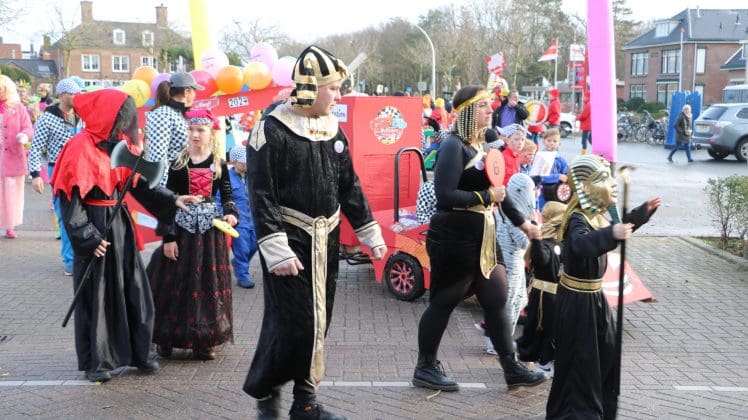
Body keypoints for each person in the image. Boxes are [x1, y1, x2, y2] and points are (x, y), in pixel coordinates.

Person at [243, 45, 387, 420]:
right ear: (312, 87)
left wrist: (370, 234)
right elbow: (261, 194)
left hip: (327, 241)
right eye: (333, 88)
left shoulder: (332, 128)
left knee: (319, 322)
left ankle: (304, 402)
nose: (338, 96)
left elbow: (348, 186)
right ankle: (267, 389)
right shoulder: (271, 130)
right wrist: (276, 249)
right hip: (290, 242)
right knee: (296, 324)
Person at [51, 89, 201, 382]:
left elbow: (141, 183)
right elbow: (70, 198)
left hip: (119, 225)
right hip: (94, 225)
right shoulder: (79, 147)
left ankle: (140, 353)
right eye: (120, 118)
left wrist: (173, 199)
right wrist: (87, 237)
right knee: (97, 294)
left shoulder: (120, 145)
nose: (125, 125)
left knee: (134, 287)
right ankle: (97, 361)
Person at [411, 84, 545, 394]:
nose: (490, 110)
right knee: (444, 301)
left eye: (490, 105)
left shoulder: (483, 144)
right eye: (483, 105)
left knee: (496, 300)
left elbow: (500, 192)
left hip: (483, 234)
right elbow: (445, 194)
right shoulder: (453, 146)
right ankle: (425, 366)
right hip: (454, 236)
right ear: (468, 111)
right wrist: (486, 196)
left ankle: (510, 367)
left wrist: (523, 224)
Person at [546, 155, 661, 419]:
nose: (612, 183)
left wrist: (640, 216)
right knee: (581, 363)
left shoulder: (596, 216)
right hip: (577, 302)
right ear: (586, 187)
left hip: (595, 299)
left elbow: (615, 230)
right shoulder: (576, 218)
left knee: (606, 355)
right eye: (603, 178)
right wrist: (611, 235)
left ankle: (601, 410)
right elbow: (581, 245)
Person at [147, 108, 239, 361]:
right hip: (182, 232)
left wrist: (231, 214)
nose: (195, 135)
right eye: (191, 130)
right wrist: (168, 238)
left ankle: (204, 339)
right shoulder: (178, 163)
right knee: (176, 284)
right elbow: (168, 202)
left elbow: (227, 196)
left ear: (211, 133)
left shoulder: (219, 164)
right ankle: (166, 337)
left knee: (207, 286)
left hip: (210, 235)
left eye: (201, 130)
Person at [28, 78, 82, 275]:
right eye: (72, 94)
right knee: (65, 215)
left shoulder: (82, 115)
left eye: (77, 93)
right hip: (59, 171)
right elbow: (35, 148)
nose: (76, 97)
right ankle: (70, 261)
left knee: (85, 214)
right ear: (61, 95)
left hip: (82, 170)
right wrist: (35, 175)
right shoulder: (47, 118)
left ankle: (83, 256)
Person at [516, 200, 567, 378]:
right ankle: (544, 362)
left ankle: (547, 358)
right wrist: (537, 240)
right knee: (546, 329)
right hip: (544, 294)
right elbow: (543, 260)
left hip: (556, 293)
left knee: (554, 329)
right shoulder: (543, 241)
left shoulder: (560, 241)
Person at [145, 72, 204, 186]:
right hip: (170, 185)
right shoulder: (162, 114)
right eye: (194, 91)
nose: (195, 96)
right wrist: (164, 191)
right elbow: (158, 156)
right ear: (187, 92)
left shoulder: (179, 114)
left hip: (184, 182)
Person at [497, 173, 536, 335]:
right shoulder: (515, 217)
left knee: (516, 301)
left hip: (506, 264)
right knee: (509, 305)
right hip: (510, 266)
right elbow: (524, 242)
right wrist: (534, 223)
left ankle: (499, 339)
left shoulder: (503, 209)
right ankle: (500, 341)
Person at [0, 75, 34, 239]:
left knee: (12, 193)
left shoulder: (18, 107)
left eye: (2, 88)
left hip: (12, 156)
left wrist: (24, 136)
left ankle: (10, 225)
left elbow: (28, 128)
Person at [226, 144, 258, 289]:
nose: (246, 164)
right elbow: (221, 199)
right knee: (242, 249)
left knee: (255, 245)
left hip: (254, 220)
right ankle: (243, 275)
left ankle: (238, 263)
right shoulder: (227, 178)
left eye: (247, 161)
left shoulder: (253, 176)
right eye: (242, 162)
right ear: (234, 161)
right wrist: (225, 215)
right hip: (238, 221)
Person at [536, 128, 569, 211]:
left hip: (556, 192)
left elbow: (566, 174)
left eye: (555, 141)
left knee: (557, 212)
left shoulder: (561, 159)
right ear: (543, 141)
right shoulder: (540, 157)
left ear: (559, 144)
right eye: (549, 140)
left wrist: (566, 177)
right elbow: (539, 177)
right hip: (542, 192)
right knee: (543, 212)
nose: (551, 143)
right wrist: (557, 177)